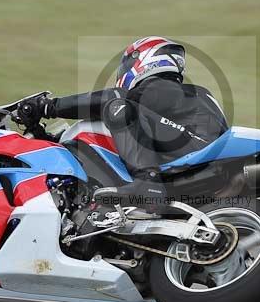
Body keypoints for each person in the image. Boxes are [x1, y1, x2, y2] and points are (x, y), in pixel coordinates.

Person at [18, 37, 228, 210]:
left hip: (193, 157)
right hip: (205, 161)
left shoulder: (158, 86)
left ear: (143, 60)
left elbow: (113, 96)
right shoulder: (192, 95)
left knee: (117, 106)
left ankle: (148, 182)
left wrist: (48, 107)